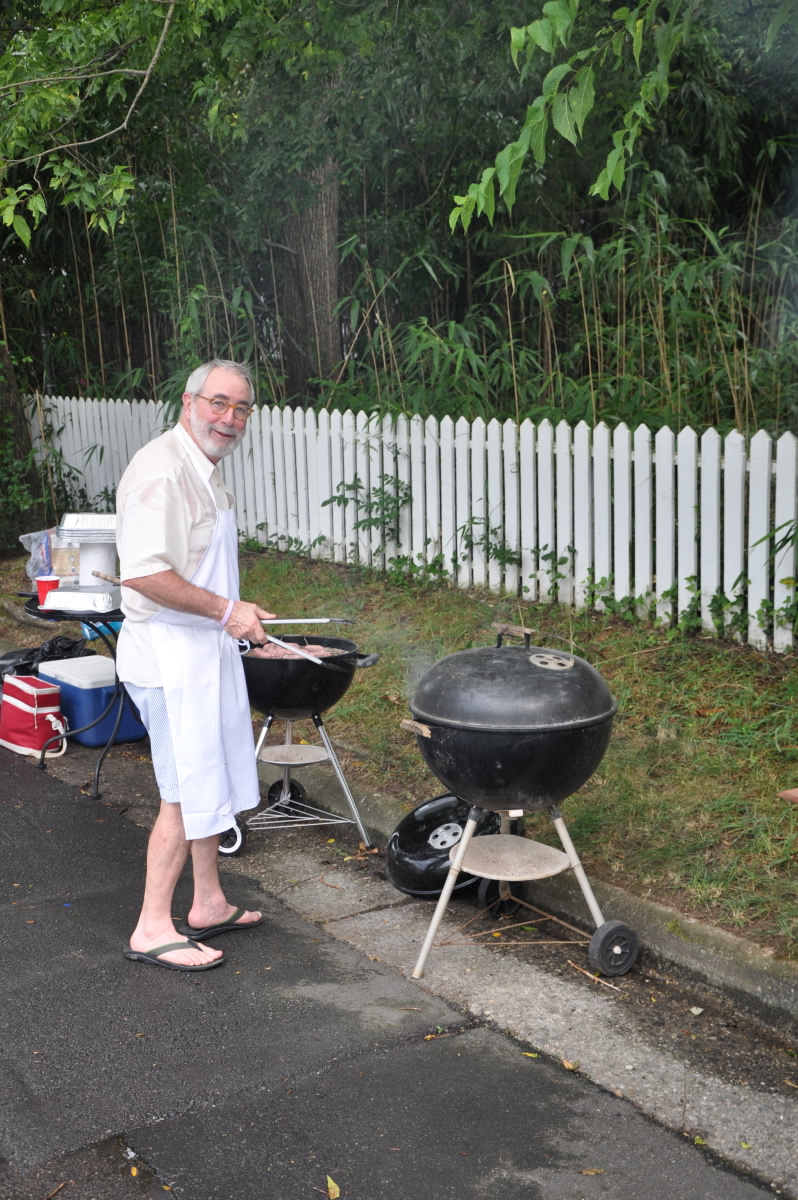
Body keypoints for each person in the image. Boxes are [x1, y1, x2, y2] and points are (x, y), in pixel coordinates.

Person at [115, 359, 275, 971]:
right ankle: (152, 926)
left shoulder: (203, 470)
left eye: (240, 409)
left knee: (208, 774)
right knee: (182, 792)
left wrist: (230, 615)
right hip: (166, 658)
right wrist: (225, 610)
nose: (228, 419)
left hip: (200, 648)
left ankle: (206, 901)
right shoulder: (162, 472)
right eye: (218, 403)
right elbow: (146, 574)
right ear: (188, 402)